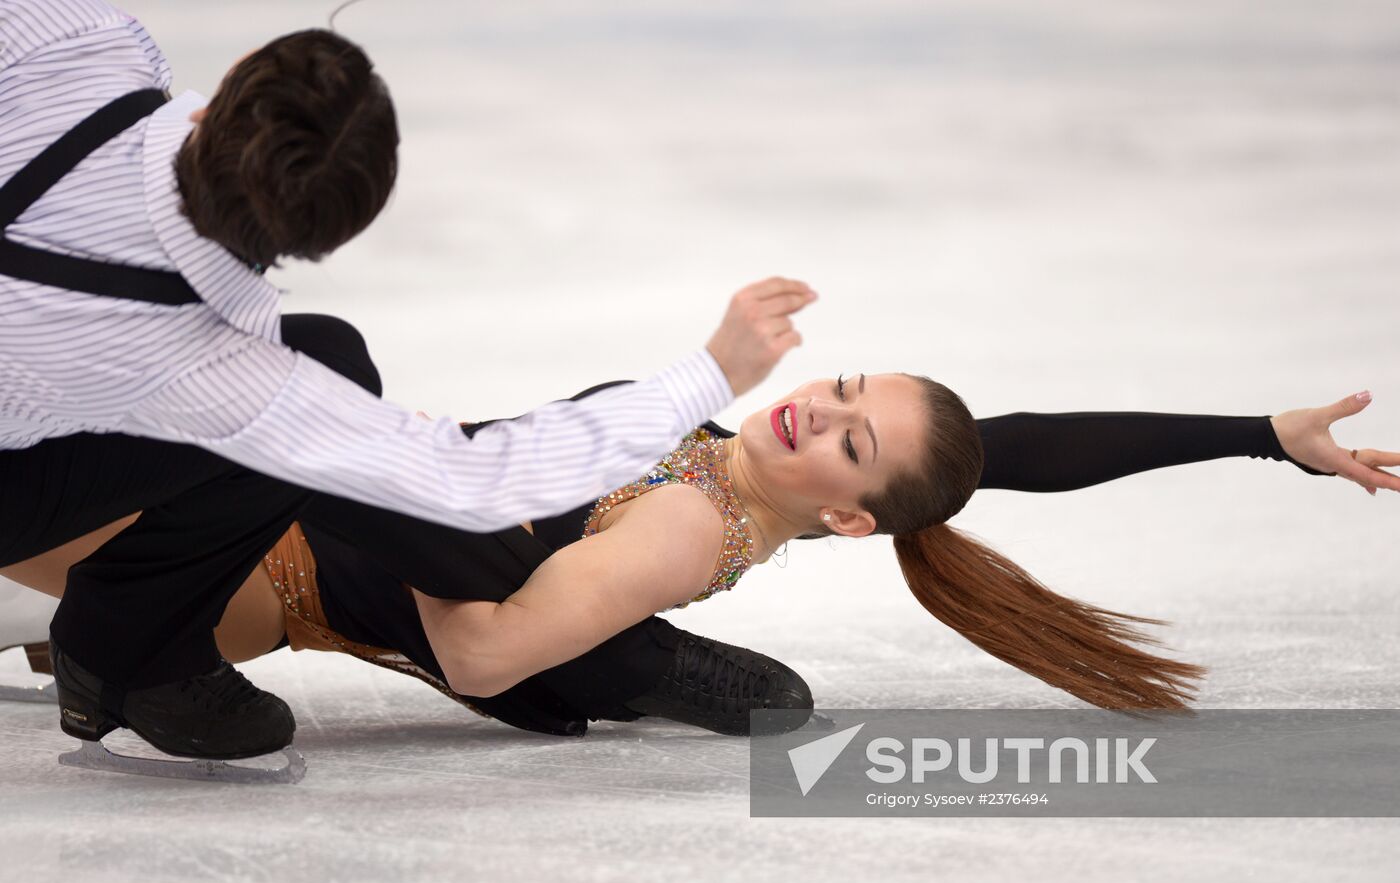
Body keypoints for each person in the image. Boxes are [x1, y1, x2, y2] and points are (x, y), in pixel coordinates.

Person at [0, 0, 810, 779]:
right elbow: (467, 482)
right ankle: (123, 654)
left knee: (326, 365)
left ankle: (598, 652)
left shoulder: (76, 39)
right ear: (329, 238)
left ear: (241, 72)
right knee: (329, 374)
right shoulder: (224, 371)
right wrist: (710, 373)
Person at [6, 368, 1393, 739]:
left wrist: (394, 486)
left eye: (846, 441)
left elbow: (478, 648)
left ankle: (607, 658)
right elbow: (1003, 440)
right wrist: (1256, 431)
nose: (822, 407)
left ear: (847, 515)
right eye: (846, 384)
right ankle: (610, 665)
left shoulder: (678, 523)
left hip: (264, 567)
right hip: (262, 521)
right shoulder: (735, 454)